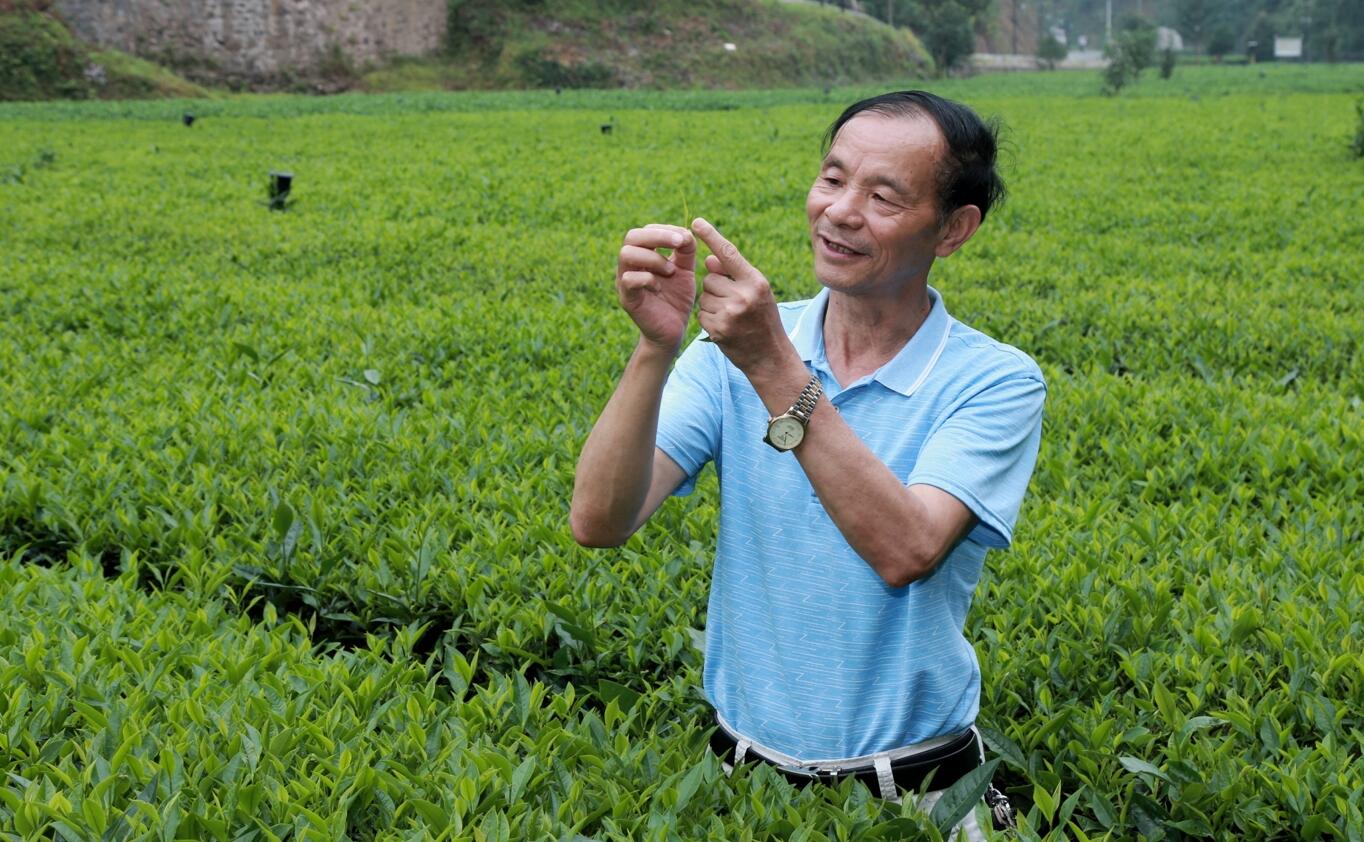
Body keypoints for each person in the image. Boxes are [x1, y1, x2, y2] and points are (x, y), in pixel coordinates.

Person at [570, 91, 1044, 838]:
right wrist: (656, 347)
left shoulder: (993, 382)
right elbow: (599, 521)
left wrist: (771, 365)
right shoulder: (727, 353)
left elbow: (907, 550)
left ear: (954, 228)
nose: (840, 212)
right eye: (833, 178)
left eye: (883, 197)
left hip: (918, 798)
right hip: (742, 790)